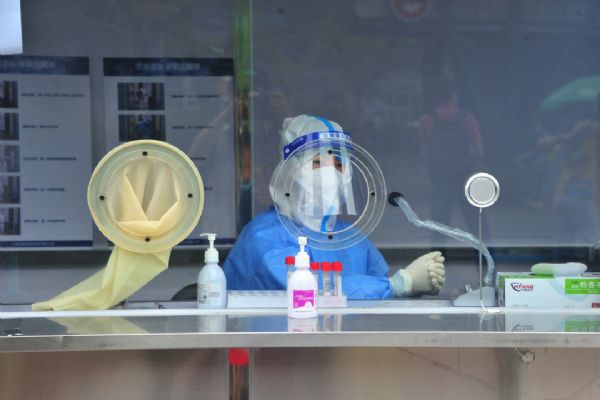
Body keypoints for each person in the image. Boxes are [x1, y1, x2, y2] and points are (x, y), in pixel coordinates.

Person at [223, 115, 445, 299]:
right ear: (290, 172)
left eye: (339, 164)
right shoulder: (264, 237)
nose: (330, 173)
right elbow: (309, 293)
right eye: (318, 162)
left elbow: (378, 293)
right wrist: (401, 283)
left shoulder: (351, 239)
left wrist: (417, 285)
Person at [418, 80, 484, 236]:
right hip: (464, 173)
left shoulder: (426, 120)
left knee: (440, 218)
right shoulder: (466, 118)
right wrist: (474, 168)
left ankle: (438, 248)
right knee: (474, 218)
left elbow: (424, 152)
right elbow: (479, 150)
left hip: (440, 175)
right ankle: (482, 247)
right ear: (454, 96)